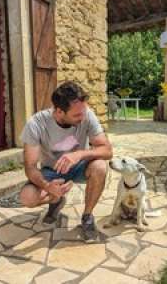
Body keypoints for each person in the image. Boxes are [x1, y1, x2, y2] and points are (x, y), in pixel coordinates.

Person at [19, 81, 113, 241]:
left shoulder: (86, 114)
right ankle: (56, 199)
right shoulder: (36, 124)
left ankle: (87, 216)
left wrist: (79, 155)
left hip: (80, 167)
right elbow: (30, 167)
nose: (82, 117)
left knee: (100, 166)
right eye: (76, 115)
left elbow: (107, 151)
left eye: (83, 111)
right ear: (59, 111)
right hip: (51, 172)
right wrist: (47, 186)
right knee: (27, 197)